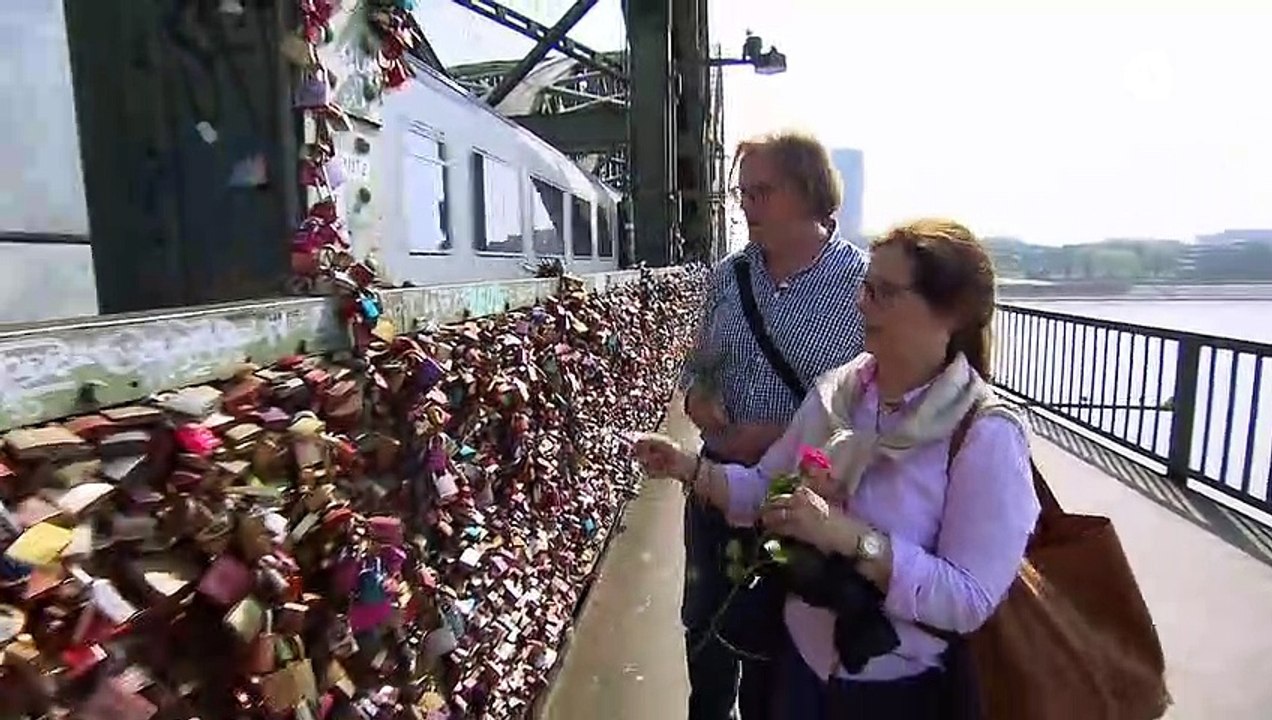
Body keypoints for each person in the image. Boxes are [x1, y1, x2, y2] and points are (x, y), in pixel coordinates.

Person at [645, 218, 1041, 718]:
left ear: (950, 314)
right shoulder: (841, 394)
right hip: (800, 671)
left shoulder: (984, 435)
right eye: (865, 287)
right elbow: (768, 487)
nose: (861, 303)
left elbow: (967, 599)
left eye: (884, 293)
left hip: (900, 692)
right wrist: (688, 468)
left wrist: (850, 538)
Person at [678, 130, 868, 720]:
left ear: (810, 194)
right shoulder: (728, 276)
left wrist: (778, 435)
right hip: (714, 486)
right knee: (705, 628)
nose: (747, 207)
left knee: (775, 653)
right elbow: (697, 367)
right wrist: (698, 397)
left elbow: (872, 413)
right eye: (743, 195)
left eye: (762, 192)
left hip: (798, 503)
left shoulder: (863, 288)